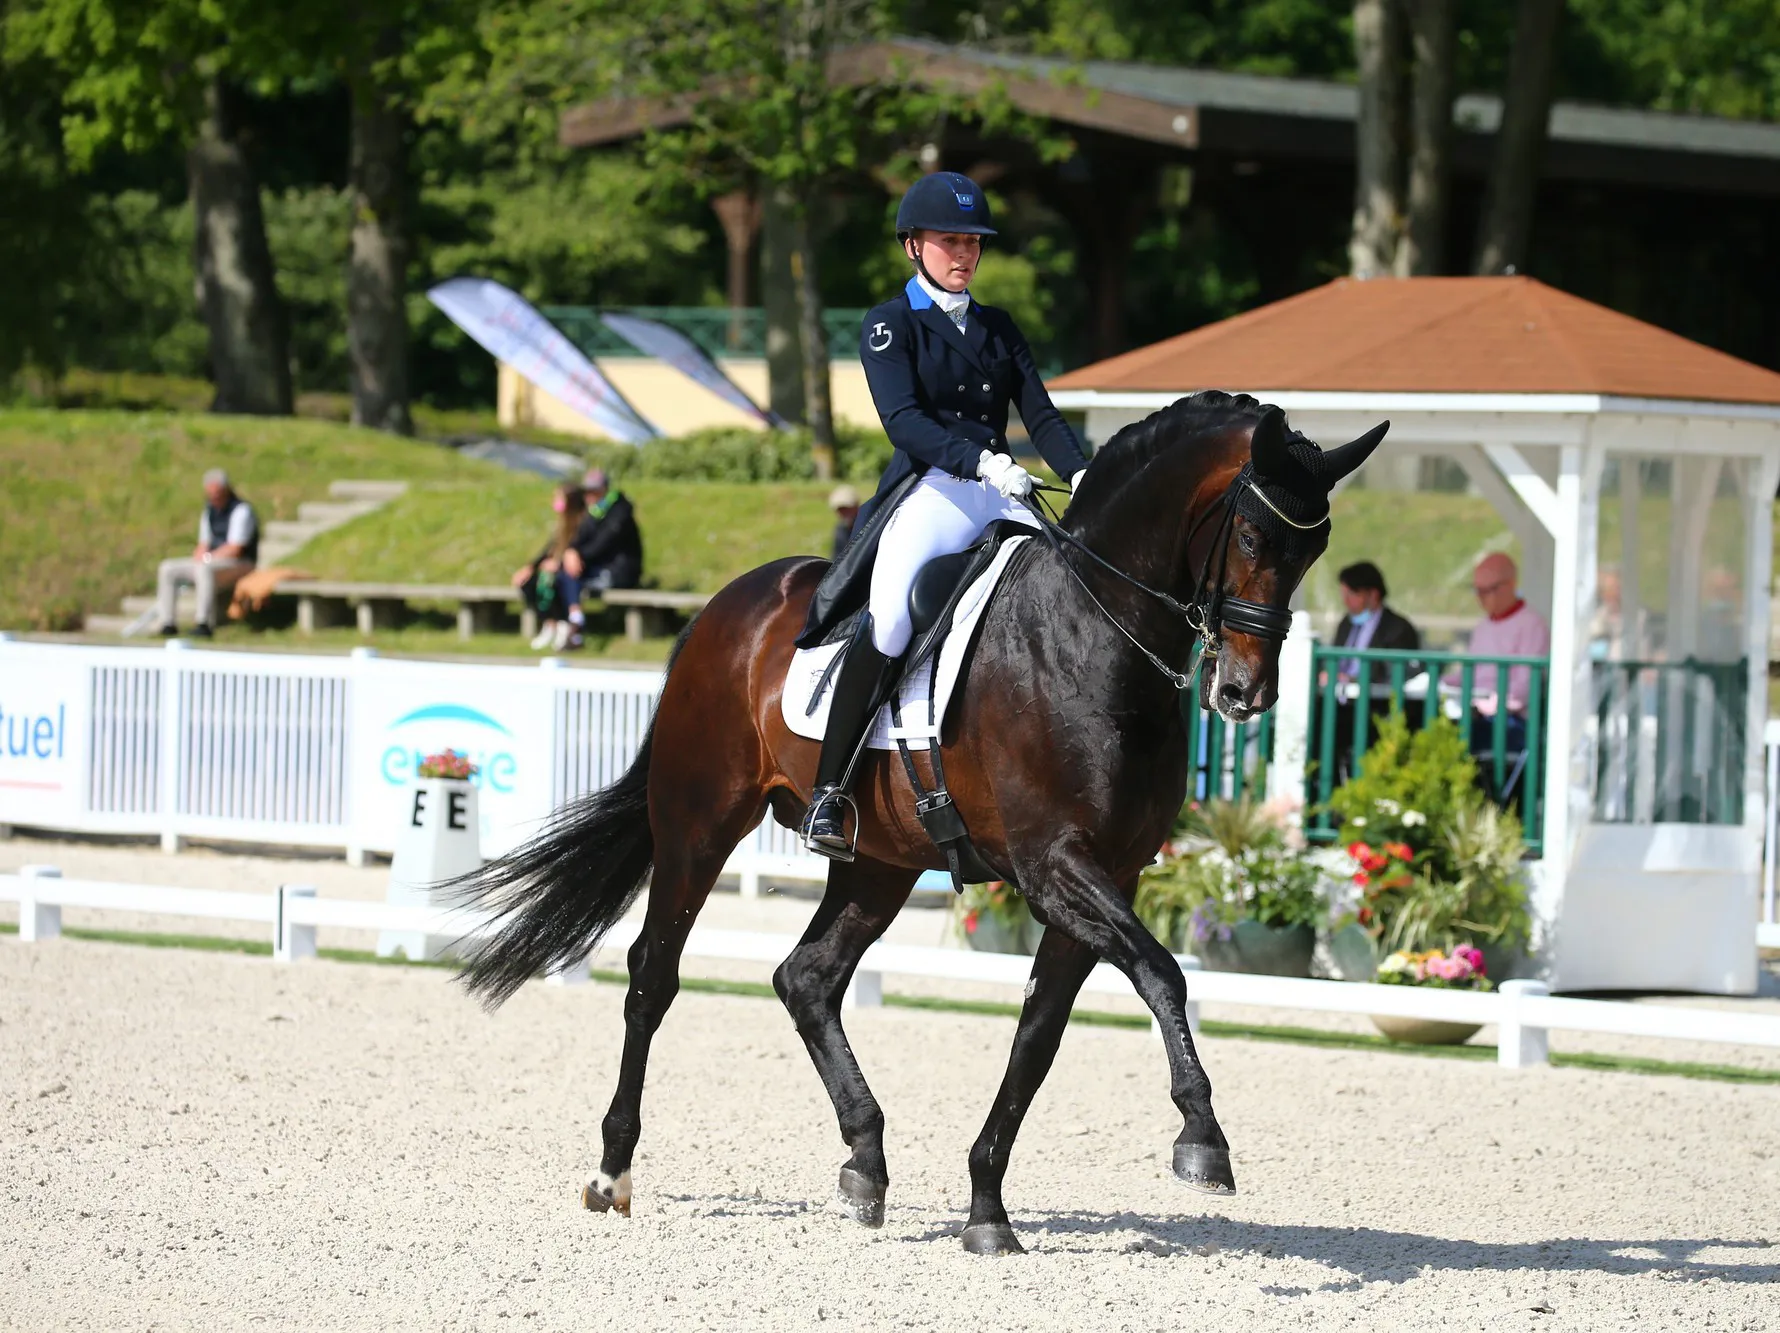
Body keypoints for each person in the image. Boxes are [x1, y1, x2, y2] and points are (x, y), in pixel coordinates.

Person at [796, 171, 1092, 858]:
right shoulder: (887, 324)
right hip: (935, 486)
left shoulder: (998, 327)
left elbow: (1041, 414)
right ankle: (829, 793)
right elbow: (904, 421)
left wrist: (1081, 472)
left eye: (973, 242)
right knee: (894, 615)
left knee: (1065, 595)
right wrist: (981, 460)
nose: (963, 254)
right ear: (913, 246)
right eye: (949, 240)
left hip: (1002, 487)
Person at [1326, 561, 1421, 781]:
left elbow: (1396, 675)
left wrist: (1353, 679)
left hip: (1374, 711)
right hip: (1339, 705)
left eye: (1352, 594)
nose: (1346, 601)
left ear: (1373, 594)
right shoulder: (1346, 624)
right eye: (1344, 594)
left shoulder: (1398, 629)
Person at [1453, 551, 1549, 760]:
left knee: (1460, 736)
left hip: (1510, 722)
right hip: (1477, 711)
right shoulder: (1482, 627)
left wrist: (1486, 706)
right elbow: (1468, 673)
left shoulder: (1532, 625)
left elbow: (1524, 688)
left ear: (1509, 586)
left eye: (1486, 591)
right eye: (1477, 591)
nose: (1480, 598)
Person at [156, 468, 258, 639]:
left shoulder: (241, 511)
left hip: (240, 563)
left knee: (204, 569)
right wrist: (200, 555)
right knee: (167, 568)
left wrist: (206, 559)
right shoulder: (209, 510)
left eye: (217, 494)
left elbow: (235, 549)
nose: (214, 498)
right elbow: (203, 543)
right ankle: (167, 623)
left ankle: (204, 622)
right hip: (211, 561)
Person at [512, 482, 590, 652]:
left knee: (553, 581)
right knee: (528, 582)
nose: (555, 501)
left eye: (559, 497)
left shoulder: (584, 523)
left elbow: (578, 552)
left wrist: (558, 564)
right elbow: (549, 550)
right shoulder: (562, 524)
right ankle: (550, 623)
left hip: (578, 573)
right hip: (559, 568)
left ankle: (563, 623)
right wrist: (530, 567)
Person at [574, 468, 643, 593]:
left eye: (593, 491)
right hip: (599, 567)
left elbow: (602, 543)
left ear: (604, 490)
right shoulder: (594, 513)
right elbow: (578, 538)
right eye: (586, 491)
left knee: (568, 583)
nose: (588, 496)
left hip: (618, 572)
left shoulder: (619, 512)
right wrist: (570, 552)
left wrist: (579, 557)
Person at [827, 484, 862, 562]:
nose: (845, 513)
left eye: (847, 509)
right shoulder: (841, 530)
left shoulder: (867, 527)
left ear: (856, 506)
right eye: (841, 510)